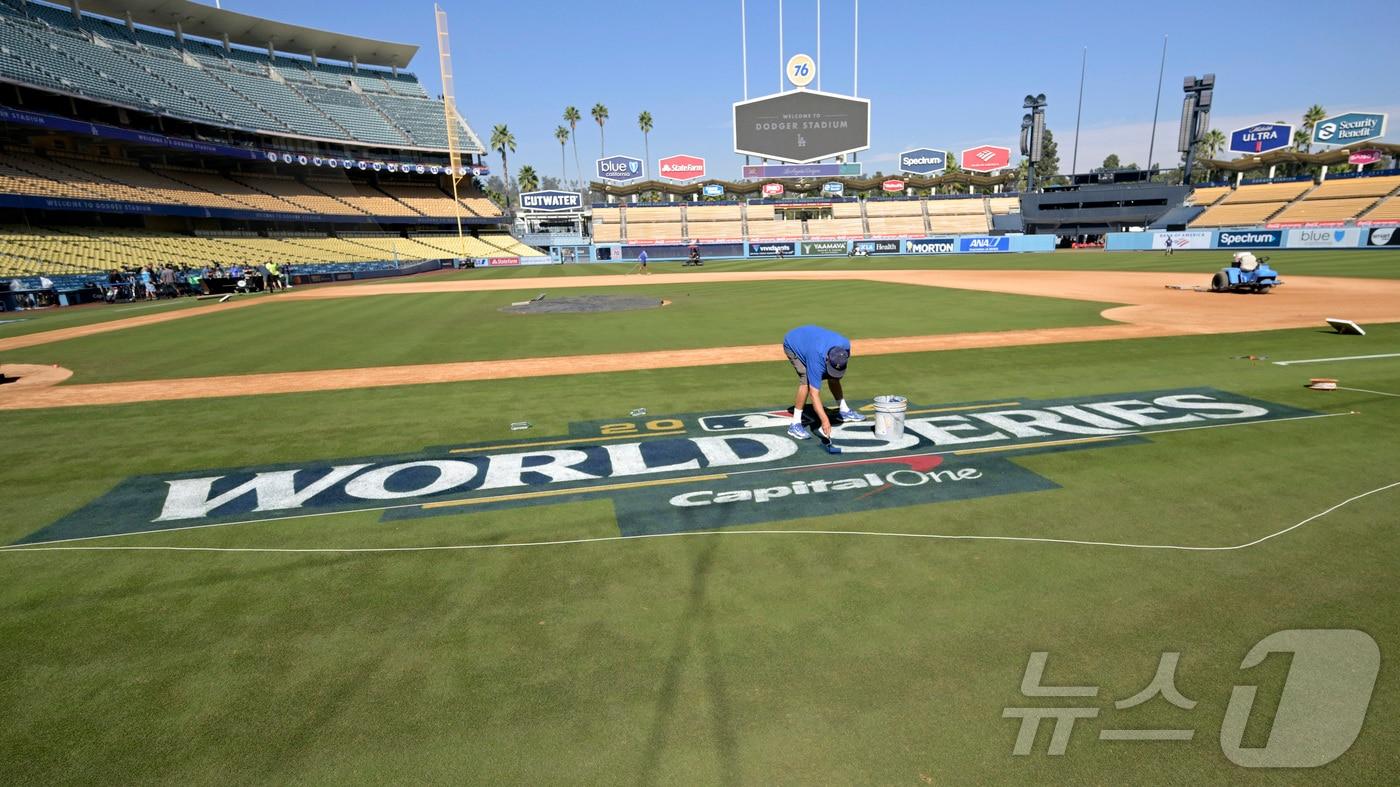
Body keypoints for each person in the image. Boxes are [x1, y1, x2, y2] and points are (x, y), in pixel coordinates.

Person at [781, 324, 865, 440]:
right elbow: (814, 394)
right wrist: (825, 421)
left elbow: (835, 370)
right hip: (793, 342)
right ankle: (795, 424)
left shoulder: (845, 346)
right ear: (826, 359)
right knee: (806, 380)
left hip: (813, 339)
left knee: (833, 377)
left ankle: (844, 410)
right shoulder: (816, 358)